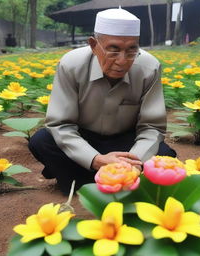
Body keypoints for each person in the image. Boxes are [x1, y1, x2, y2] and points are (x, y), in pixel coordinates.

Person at [28, 8, 176, 195]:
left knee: (164, 153)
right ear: (93, 45)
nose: (122, 61)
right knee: (41, 141)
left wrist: (133, 162)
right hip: (83, 139)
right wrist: (95, 159)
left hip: (126, 145)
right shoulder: (71, 65)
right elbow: (61, 124)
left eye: (132, 50)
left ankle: (88, 181)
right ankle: (106, 183)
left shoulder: (149, 68)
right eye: (113, 51)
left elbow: (152, 127)